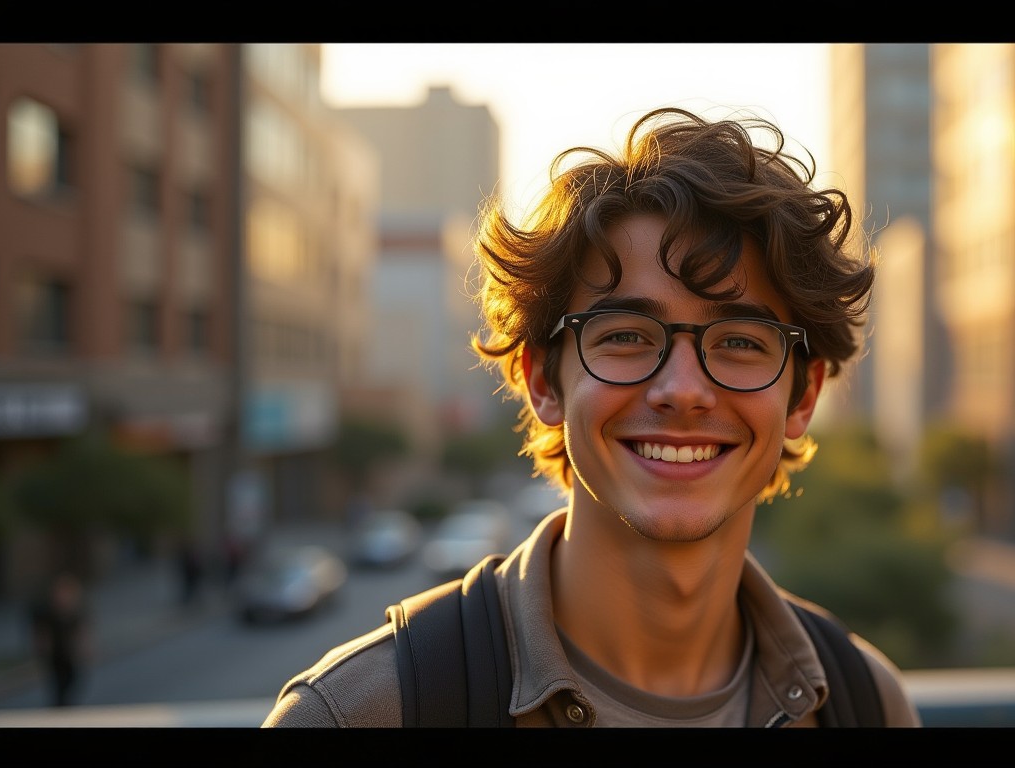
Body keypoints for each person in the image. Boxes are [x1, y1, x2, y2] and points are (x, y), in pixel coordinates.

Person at [263, 106, 920, 728]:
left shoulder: (866, 703)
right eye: (627, 336)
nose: (682, 390)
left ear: (802, 398)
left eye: (742, 342)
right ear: (543, 379)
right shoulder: (361, 714)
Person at [29, 570, 92, 707]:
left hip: (69, 652)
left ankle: (63, 704)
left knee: (72, 678)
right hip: (55, 653)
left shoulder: (74, 610)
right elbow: (42, 633)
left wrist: (85, 649)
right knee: (58, 681)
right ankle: (59, 705)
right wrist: (42, 648)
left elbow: (81, 630)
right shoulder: (47, 612)